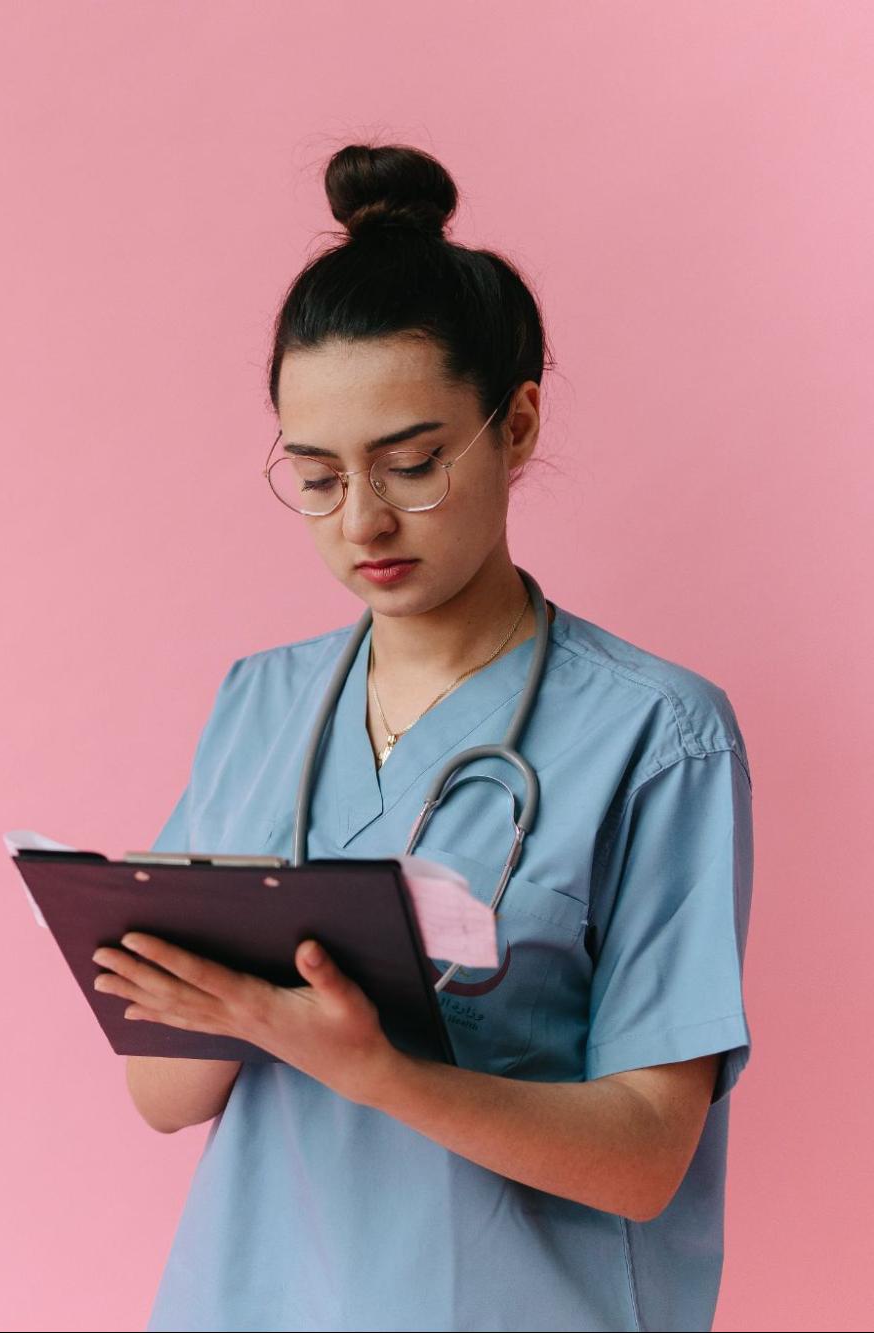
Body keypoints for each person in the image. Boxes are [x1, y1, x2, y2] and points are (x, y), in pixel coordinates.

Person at [95, 144, 754, 1332]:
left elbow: (649, 1153)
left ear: (516, 426)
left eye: (412, 464)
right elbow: (161, 1093)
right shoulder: (260, 703)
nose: (365, 521)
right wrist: (232, 1003)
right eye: (316, 477)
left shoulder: (659, 734)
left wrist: (374, 1067)